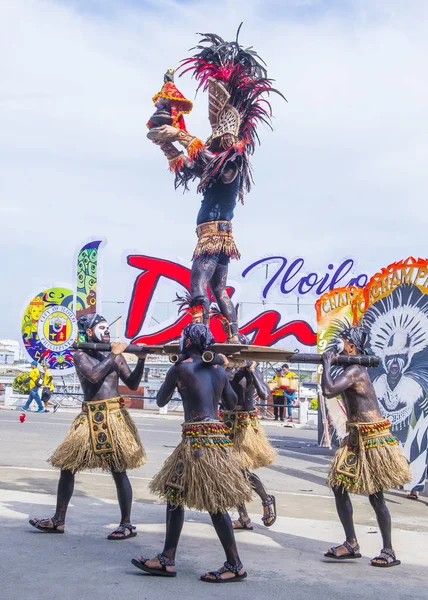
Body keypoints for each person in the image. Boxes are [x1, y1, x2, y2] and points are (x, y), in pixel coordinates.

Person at [148, 29, 284, 339]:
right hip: (218, 235)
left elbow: (210, 162)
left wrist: (182, 136)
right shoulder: (220, 159)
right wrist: (169, 144)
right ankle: (233, 334)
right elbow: (191, 167)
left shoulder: (232, 162)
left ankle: (200, 332)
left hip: (213, 235)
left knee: (198, 285)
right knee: (218, 289)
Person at [132, 323, 252, 582]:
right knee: (177, 494)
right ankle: (167, 559)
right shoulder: (218, 371)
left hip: (196, 443)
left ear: (188, 341)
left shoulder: (180, 368)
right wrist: (224, 371)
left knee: (211, 503)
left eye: (182, 337)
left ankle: (234, 564)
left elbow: (161, 400)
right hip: (216, 442)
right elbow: (232, 403)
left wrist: (174, 375)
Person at [29, 314, 147, 539]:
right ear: (90, 333)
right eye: (101, 328)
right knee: (68, 466)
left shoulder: (118, 357)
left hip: (114, 416)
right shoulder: (80, 355)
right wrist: (114, 353)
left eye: (107, 327)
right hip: (89, 417)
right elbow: (94, 376)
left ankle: (127, 524)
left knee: (118, 470)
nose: (107, 332)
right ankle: (58, 520)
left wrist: (140, 359)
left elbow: (132, 384)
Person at [321, 323, 411, 567]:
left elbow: (328, 390)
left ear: (351, 346)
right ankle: (351, 543)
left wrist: (327, 364)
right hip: (355, 436)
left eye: (340, 343)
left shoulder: (355, 370)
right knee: (339, 486)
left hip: (372, 439)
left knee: (376, 495)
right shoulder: (350, 369)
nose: (336, 347)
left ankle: (389, 550)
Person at [221, 337, 277, 531]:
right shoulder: (223, 368)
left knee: (241, 469)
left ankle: (266, 499)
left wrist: (252, 371)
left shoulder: (250, 368)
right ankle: (243, 516)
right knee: (231, 470)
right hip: (226, 421)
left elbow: (263, 394)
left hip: (245, 424)